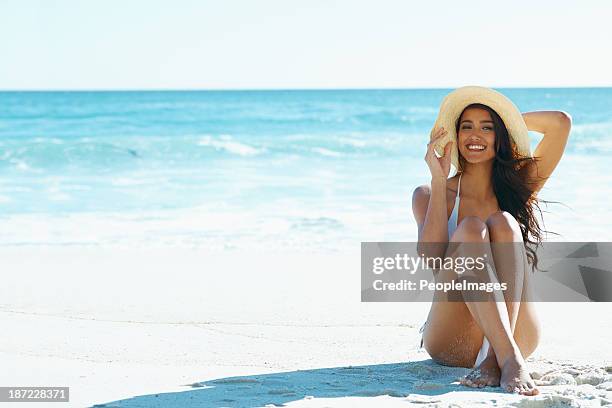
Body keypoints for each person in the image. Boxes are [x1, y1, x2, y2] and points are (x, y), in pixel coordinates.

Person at [412, 86, 572, 395]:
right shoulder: (430, 194)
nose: (475, 135)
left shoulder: (518, 187)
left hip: (518, 331)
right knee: (471, 229)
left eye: (487, 128)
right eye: (466, 127)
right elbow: (432, 260)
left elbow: (560, 123)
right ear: (455, 137)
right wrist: (437, 176)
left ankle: (499, 358)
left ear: (500, 136)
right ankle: (507, 358)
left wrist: (507, 122)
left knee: (504, 222)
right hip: (452, 338)